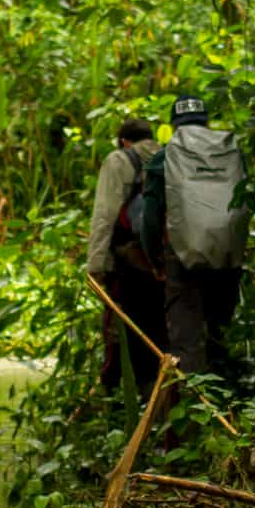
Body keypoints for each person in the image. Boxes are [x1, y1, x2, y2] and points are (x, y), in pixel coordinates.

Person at [138, 96, 247, 376]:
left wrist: (155, 259)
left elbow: (150, 216)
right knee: (218, 335)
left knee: (187, 341)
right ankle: (228, 405)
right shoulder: (231, 151)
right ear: (206, 121)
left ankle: (194, 412)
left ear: (174, 125)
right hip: (227, 257)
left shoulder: (165, 156)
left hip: (182, 258)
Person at [85, 116, 166, 397]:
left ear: (124, 141)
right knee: (160, 329)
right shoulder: (168, 156)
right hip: (166, 262)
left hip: (129, 263)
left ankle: (127, 399)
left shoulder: (119, 160)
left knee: (125, 330)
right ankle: (161, 396)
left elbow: (104, 216)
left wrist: (95, 265)